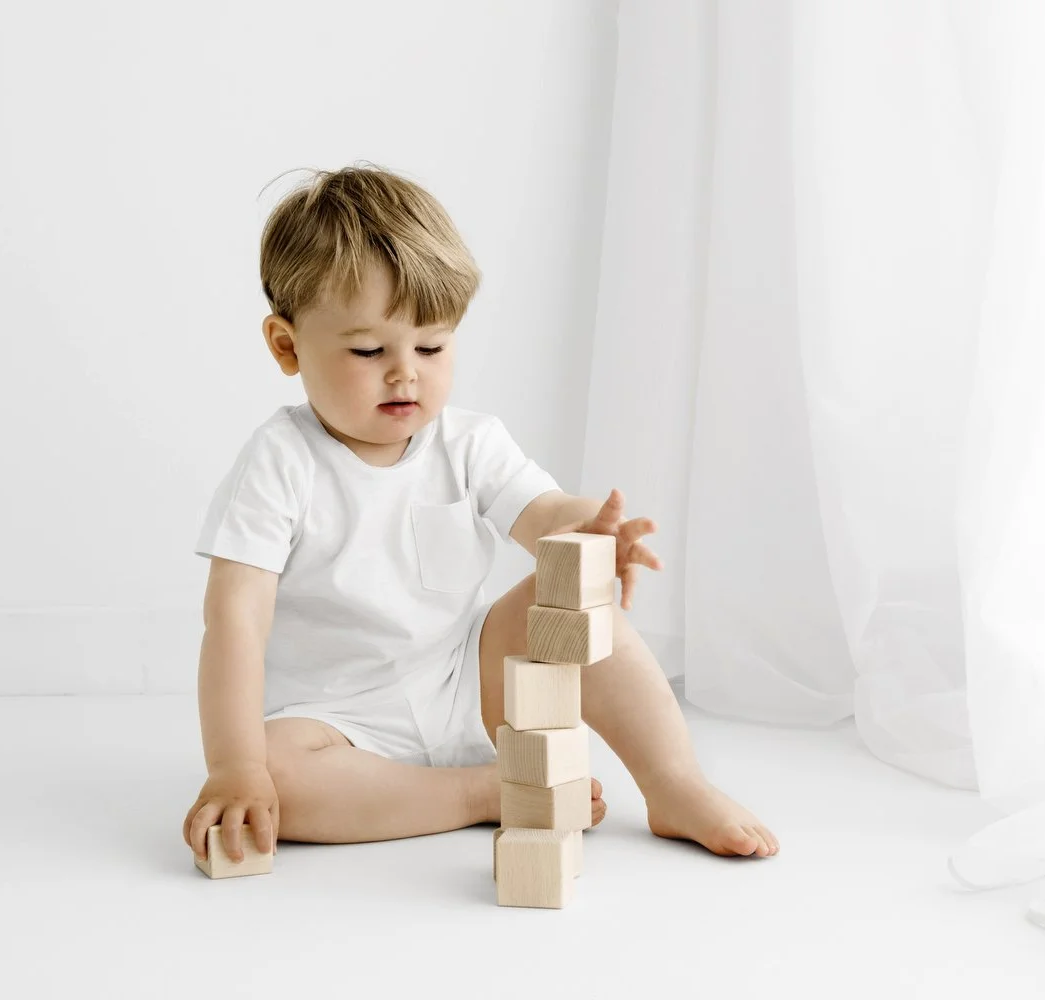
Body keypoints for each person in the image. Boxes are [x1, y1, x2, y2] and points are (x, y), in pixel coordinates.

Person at [182, 164, 780, 867]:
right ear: (287, 345)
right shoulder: (280, 463)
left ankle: (674, 784)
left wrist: (591, 530)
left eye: (431, 347)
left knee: (570, 599)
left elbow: (542, 511)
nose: (406, 372)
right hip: (338, 721)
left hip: (471, 685)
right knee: (281, 777)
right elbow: (235, 622)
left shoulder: (468, 442)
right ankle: (481, 792)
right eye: (370, 351)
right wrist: (235, 768)